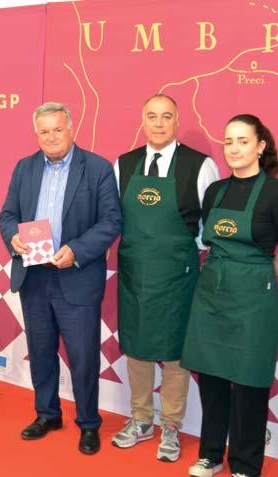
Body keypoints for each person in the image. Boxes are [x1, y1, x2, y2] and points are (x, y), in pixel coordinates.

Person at [0, 102, 121, 455]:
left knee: (83, 357)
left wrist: (76, 250)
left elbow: (111, 221)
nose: (51, 137)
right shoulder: (24, 168)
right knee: (41, 352)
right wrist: (13, 236)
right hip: (34, 277)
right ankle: (47, 414)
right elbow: (7, 215)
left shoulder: (97, 168)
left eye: (57, 129)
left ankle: (88, 423)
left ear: (71, 128)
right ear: (35, 134)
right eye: (44, 131)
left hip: (77, 276)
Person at [112, 94, 219, 462]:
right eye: (152, 116)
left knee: (175, 353)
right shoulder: (123, 164)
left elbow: (209, 226)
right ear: (143, 120)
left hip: (177, 275)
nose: (159, 124)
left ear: (177, 121)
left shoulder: (200, 165)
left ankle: (171, 425)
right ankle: (141, 419)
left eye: (166, 117)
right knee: (137, 349)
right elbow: (113, 217)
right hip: (135, 273)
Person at [181, 114, 278, 477]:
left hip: (255, 297)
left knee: (250, 380)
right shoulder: (215, 191)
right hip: (212, 293)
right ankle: (210, 454)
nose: (234, 148)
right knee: (212, 377)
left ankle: (246, 463)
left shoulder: (273, 193)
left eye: (243, 140)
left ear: (260, 146)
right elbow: (208, 240)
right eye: (229, 141)